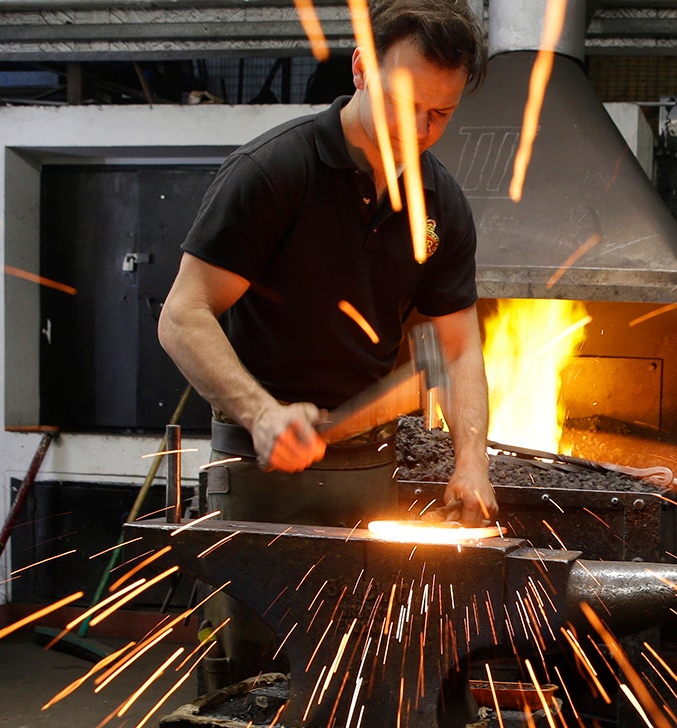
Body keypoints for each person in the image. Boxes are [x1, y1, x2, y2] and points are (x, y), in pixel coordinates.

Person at [159, 0, 497, 687]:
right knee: (248, 686)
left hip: (370, 480)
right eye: (408, 105)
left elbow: (460, 351)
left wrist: (472, 463)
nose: (421, 129)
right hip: (261, 482)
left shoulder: (440, 204)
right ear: (362, 69)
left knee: (360, 680)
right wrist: (261, 414)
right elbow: (182, 315)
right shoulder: (275, 172)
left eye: (441, 114)